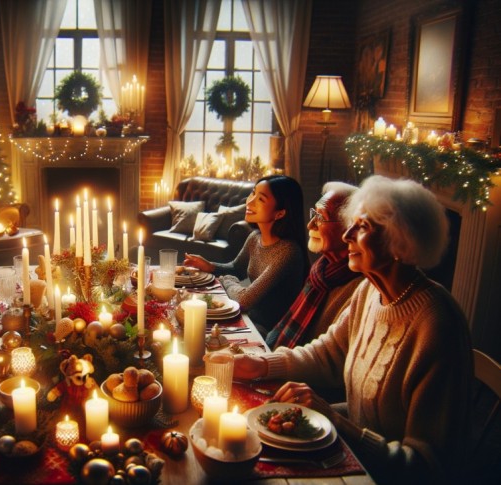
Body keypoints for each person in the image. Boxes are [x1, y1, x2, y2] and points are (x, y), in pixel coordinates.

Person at [233, 176, 472, 484]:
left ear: (401, 242)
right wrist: (263, 364)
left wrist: (335, 422)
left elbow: (427, 466)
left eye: (362, 227)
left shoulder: (437, 325)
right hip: (355, 453)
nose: (346, 235)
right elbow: (327, 354)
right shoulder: (369, 293)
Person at [184, 175, 308, 332]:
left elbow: (244, 300)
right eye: (252, 193)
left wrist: (226, 280)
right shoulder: (255, 237)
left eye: (261, 199)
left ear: (280, 213)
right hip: (248, 317)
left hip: (268, 330)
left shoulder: (287, 252)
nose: (249, 202)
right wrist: (210, 266)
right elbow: (236, 268)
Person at [265, 181, 362, 348]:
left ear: (349, 227)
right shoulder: (321, 270)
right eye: (313, 214)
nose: (311, 225)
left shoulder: (358, 288)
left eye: (321, 217)